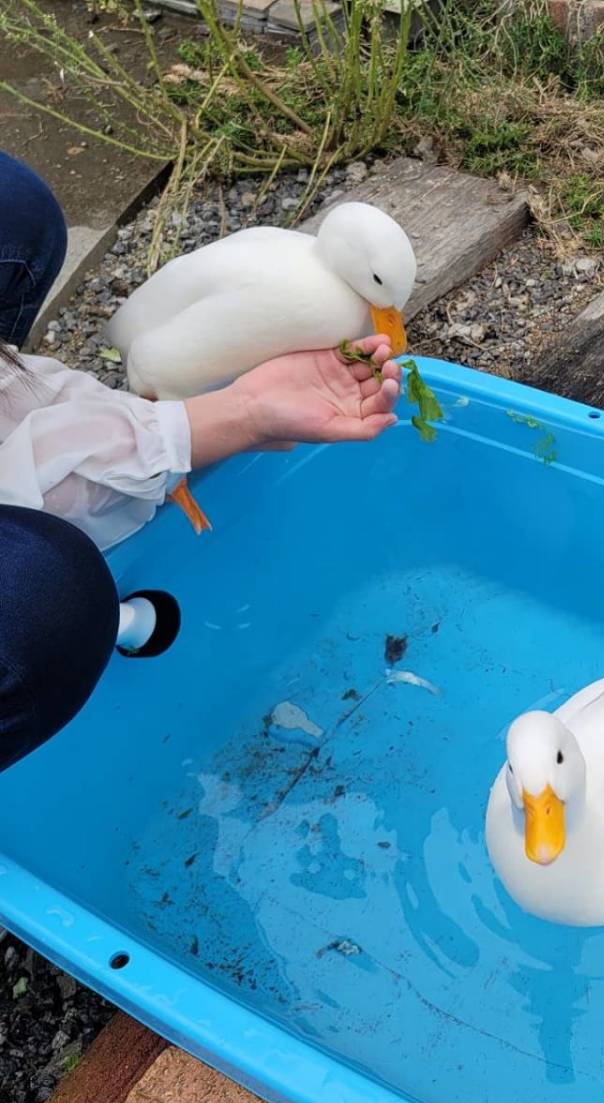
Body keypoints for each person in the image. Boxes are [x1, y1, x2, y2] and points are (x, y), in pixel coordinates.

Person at [0, 150, 402, 773]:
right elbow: (150, 357)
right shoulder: (289, 285)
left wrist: (228, 415)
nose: (392, 333)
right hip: (156, 363)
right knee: (48, 594)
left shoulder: (313, 279)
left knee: (16, 210)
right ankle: (74, 609)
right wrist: (192, 426)